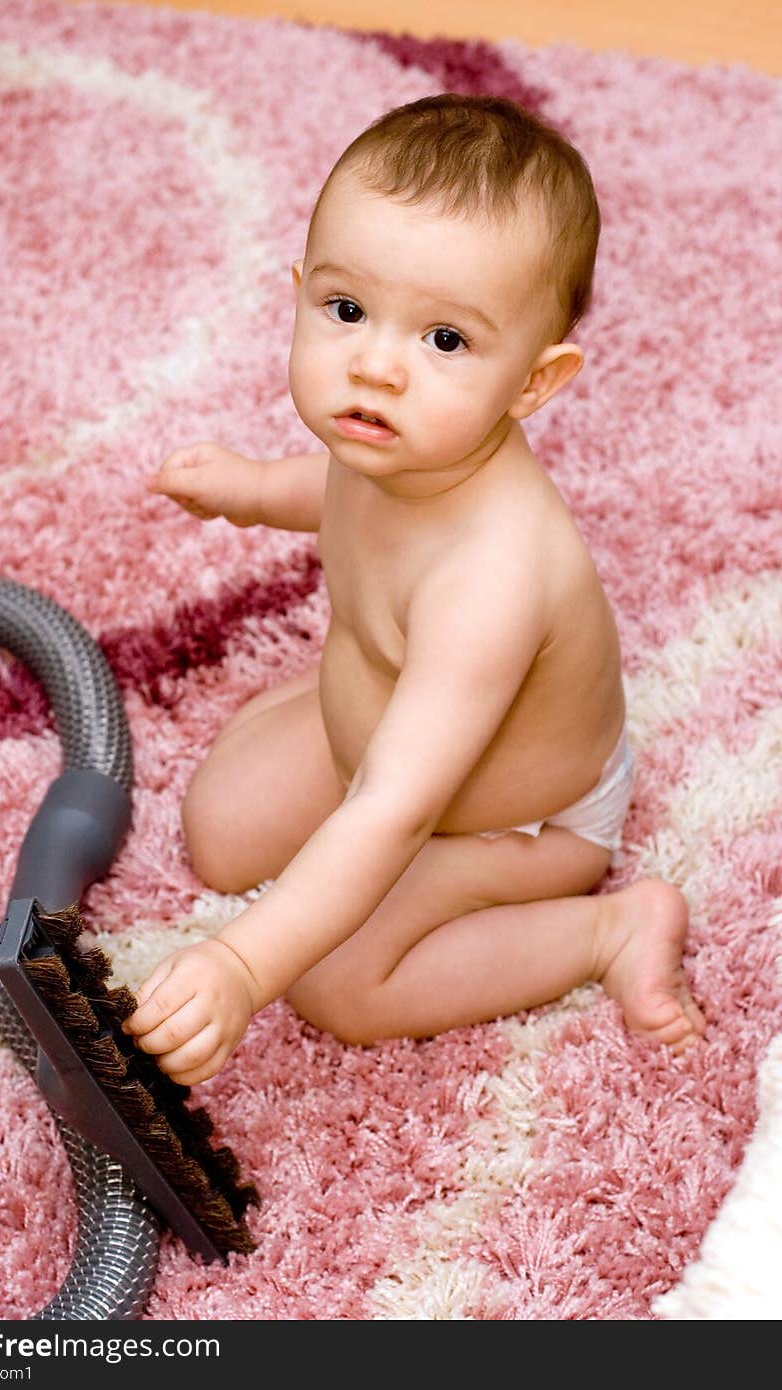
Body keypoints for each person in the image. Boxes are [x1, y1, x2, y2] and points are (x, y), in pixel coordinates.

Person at [122, 94, 705, 1085]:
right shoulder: (399, 439)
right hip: (390, 725)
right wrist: (251, 491)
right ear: (299, 292)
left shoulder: (494, 573)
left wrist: (238, 962)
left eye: (445, 340)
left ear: (532, 382)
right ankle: (335, 716)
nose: (378, 365)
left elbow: (393, 806)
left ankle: (609, 928)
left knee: (338, 976)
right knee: (220, 832)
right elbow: (345, 496)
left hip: (511, 822)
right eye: (346, 312)